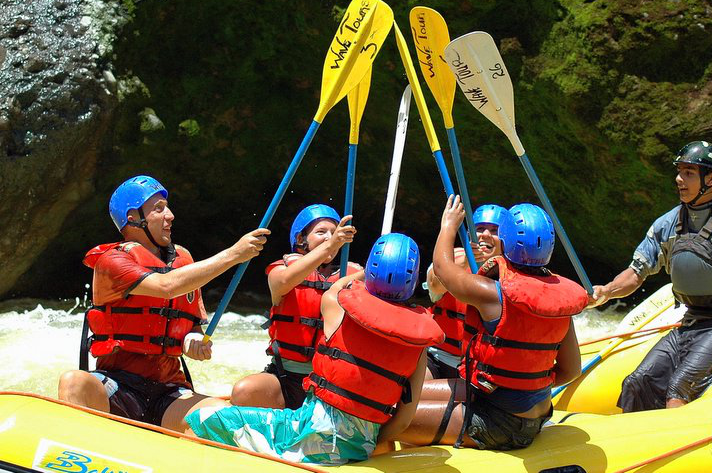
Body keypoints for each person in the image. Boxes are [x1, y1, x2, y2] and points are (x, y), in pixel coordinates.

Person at [186, 233, 444, 465]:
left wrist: (362, 273)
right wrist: (367, 443)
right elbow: (404, 419)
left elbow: (336, 289)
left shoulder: (337, 307)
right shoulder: (419, 342)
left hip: (306, 431)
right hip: (364, 445)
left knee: (201, 419)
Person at [57, 175, 269, 431]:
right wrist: (234, 254)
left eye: (167, 207)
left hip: (168, 392)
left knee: (223, 418)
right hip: (118, 385)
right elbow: (166, 286)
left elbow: (191, 328)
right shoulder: (112, 262)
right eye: (158, 209)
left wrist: (192, 343)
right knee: (73, 381)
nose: (170, 215)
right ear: (133, 218)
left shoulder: (184, 260)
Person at [590, 141, 712, 412]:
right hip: (690, 323)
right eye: (679, 172)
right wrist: (607, 291)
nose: (679, 179)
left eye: (689, 173)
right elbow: (636, 273)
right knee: (636, 381)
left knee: (678, 388)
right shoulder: (666, 224)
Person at [398, 196, 585, 450]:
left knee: (392, 416)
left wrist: (448, 226)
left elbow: (443, 269)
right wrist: (526, 388)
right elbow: (571, 371)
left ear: (505, 242)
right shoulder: (561, 301)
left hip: (499, 421)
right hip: (529, 409)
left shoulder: (491, 293)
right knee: (402, 398)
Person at [230, 204, 361, 409]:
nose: (329, 237)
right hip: (285, 377)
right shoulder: (281, 270)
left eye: (334, 233)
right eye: (321, 232)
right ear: (301, 239)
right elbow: (284, 282)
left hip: (330, 381)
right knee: (244, 391)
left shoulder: (352, 276)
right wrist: (330, 244)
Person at [424, 204, 510, 379]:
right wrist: (463, 264)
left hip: (479, 366)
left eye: (494, 230)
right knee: (419, 383)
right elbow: (434, 286)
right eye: (480, 228)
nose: (485, 234)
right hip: (436, 356)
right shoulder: (448, 258)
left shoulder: (513, 274)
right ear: (470, 234)